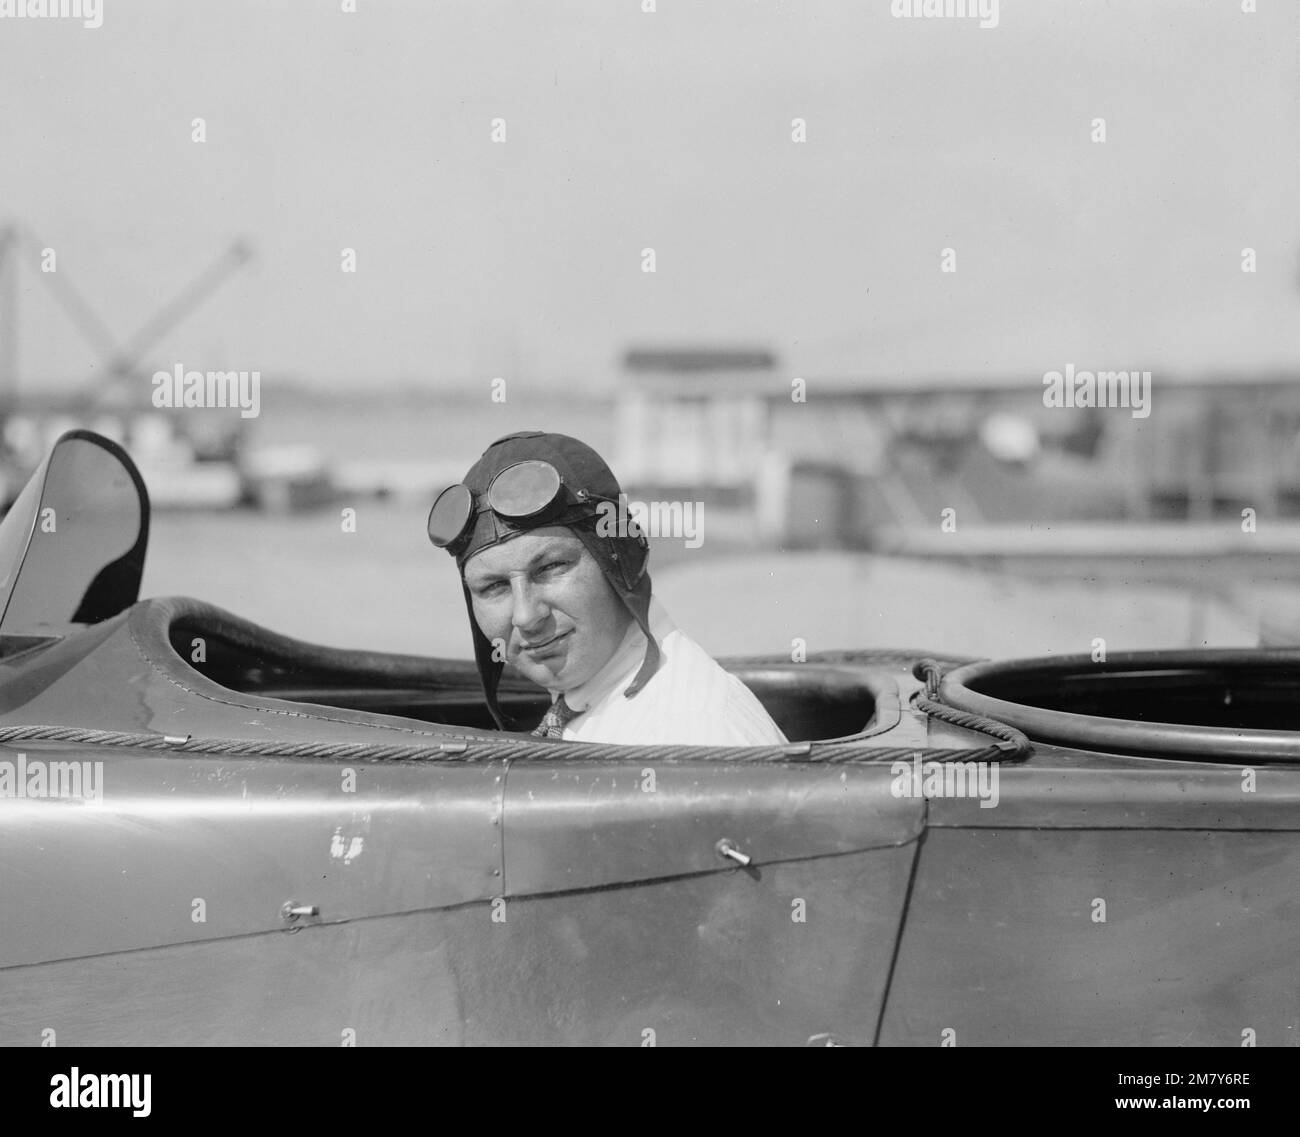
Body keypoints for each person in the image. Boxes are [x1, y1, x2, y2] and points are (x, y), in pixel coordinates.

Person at [428, 430, 788, 746]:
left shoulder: (698, 740)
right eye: (493, 587)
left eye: (551, 568)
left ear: (620, 559)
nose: (525, 616)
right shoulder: (593, 709)